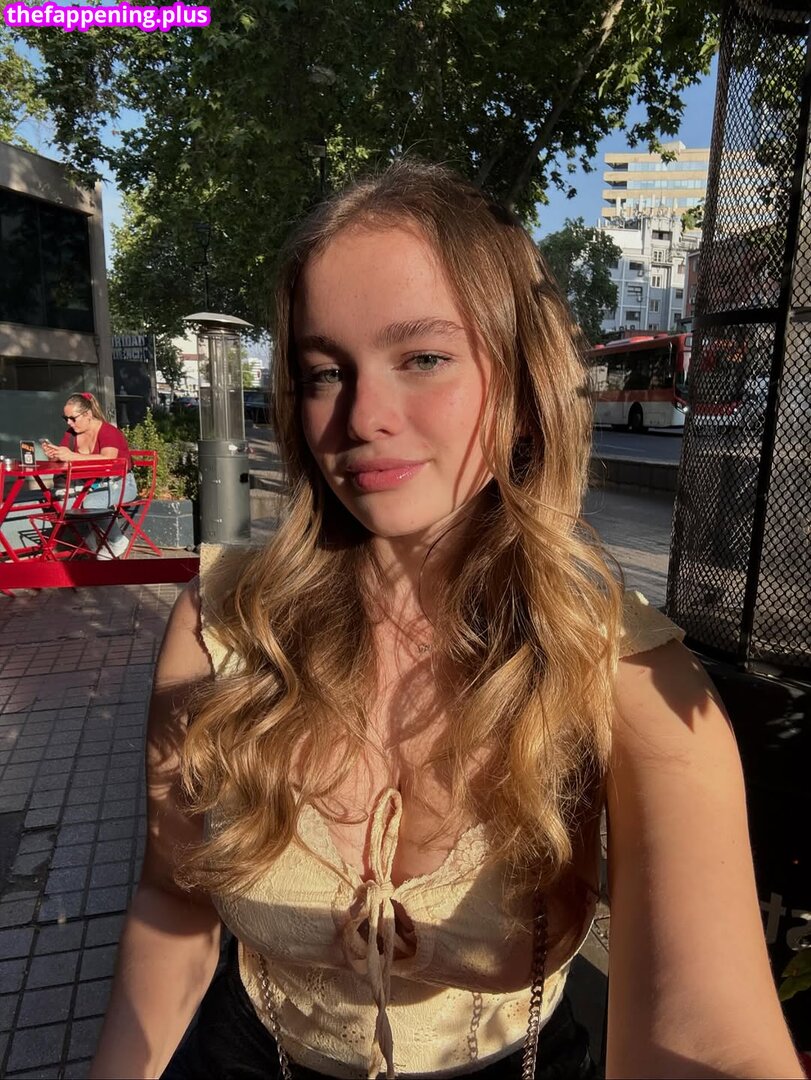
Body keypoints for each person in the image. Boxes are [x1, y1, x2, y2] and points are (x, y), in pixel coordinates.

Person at [90, 162, 803, 1080]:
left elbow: (708, 1031)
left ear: (522, 387)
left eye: (422, 358)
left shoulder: (626, 675)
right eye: (323, 372)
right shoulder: (225, 625)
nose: (362, 417)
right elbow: (172, 900)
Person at [41, 391, 137, 558]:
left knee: (91, 503)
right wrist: (54, 455)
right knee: (66, 504)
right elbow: (66, 458)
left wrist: (72, 456)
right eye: (65, 418)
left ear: (87, 414)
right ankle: (92, 547)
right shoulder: (71, 433)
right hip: (89, 484)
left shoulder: (108, 431)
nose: (69, 423)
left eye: (73, 418)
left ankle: (117, 541)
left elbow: (109, 459)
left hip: (120, 483)